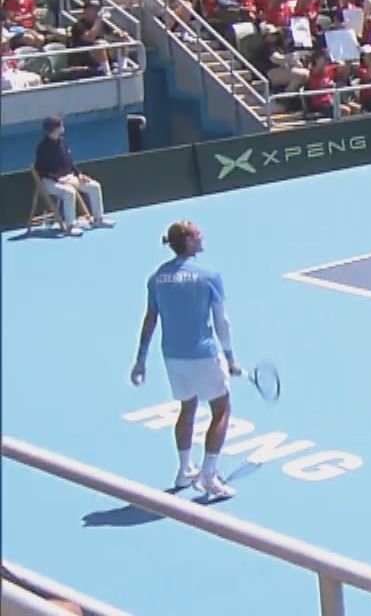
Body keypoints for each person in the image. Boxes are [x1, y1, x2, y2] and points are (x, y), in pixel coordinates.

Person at [131, 222, 244, 499]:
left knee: (187, 408)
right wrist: (230, 357)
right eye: (197, 233)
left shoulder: (156, 277)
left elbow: (150, 320)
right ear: (189, 242)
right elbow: (222, 322)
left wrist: (140, 360)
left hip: (172, 357)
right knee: (222, 409)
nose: (202, 235)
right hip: (203, 355)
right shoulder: (209, 277)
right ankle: (209, 474)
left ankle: (184, 470)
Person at [34, 116, 111, 236]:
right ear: (54, 129)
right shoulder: (42, 148)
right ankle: (70, 226)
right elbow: (42, 169)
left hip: (69, 177)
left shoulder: (63, 142)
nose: (63, 127)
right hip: (50, 181)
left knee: (94, 186)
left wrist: (79, 175)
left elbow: (69, 163)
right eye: (60, 125)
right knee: (69, 192)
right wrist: (58, 179)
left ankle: (98, 220)